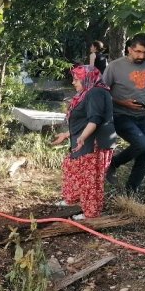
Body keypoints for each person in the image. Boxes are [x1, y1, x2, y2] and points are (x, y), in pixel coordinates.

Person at [101, 33, 145, 194]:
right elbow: (101, 92)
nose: (141, 56)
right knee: (142, 144)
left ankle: (131, 192)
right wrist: (123, 102)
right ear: (129, 49)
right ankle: (113, 164)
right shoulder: (114, 66)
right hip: (120, 115)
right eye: (137, 51)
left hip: (142, 116)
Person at [52, 65, 117, 220]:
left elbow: (95, 120)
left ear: (87, 79)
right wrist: (67, 135)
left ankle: (91, 214)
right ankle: (73, 200)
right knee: (72, 168)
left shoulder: (96, 92)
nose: (73, 83)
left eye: (77, 79)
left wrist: (82, 138)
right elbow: (83, 121)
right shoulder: (88, 92)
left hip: (94, 142)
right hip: (84, 140)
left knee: (90, 179)